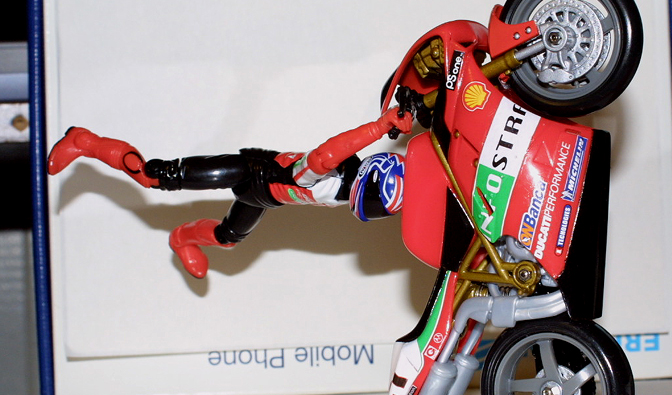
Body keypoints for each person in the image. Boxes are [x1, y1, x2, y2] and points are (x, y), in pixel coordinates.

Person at [47, 107, 413, 278]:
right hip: (248, 173)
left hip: (263, 198)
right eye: (373, 202)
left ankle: (181, 239)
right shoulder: (323, 175)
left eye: (378, 209)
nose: (370, 209)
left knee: (227, 238)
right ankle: (85, 141)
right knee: (154, 178)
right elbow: (323, 155)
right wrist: (381, 125)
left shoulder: (348, 188)